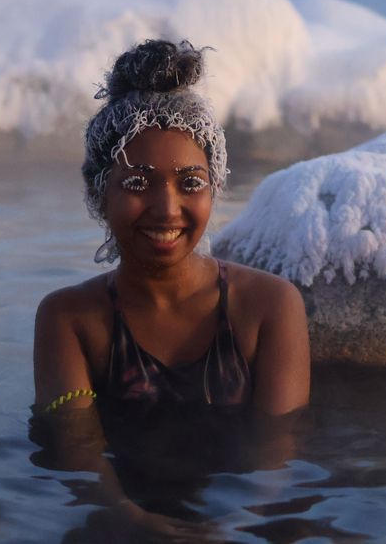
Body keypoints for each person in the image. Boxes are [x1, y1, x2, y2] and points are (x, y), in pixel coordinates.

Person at [33, 39, 310, 541]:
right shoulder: (69, 320)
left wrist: (234, 526)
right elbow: (74, 447)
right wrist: (136, 523)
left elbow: (276, 452)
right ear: (101, 192)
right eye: (138, 183)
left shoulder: (269, 307)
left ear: (214, 186)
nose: (166, 209)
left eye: (190, 182)